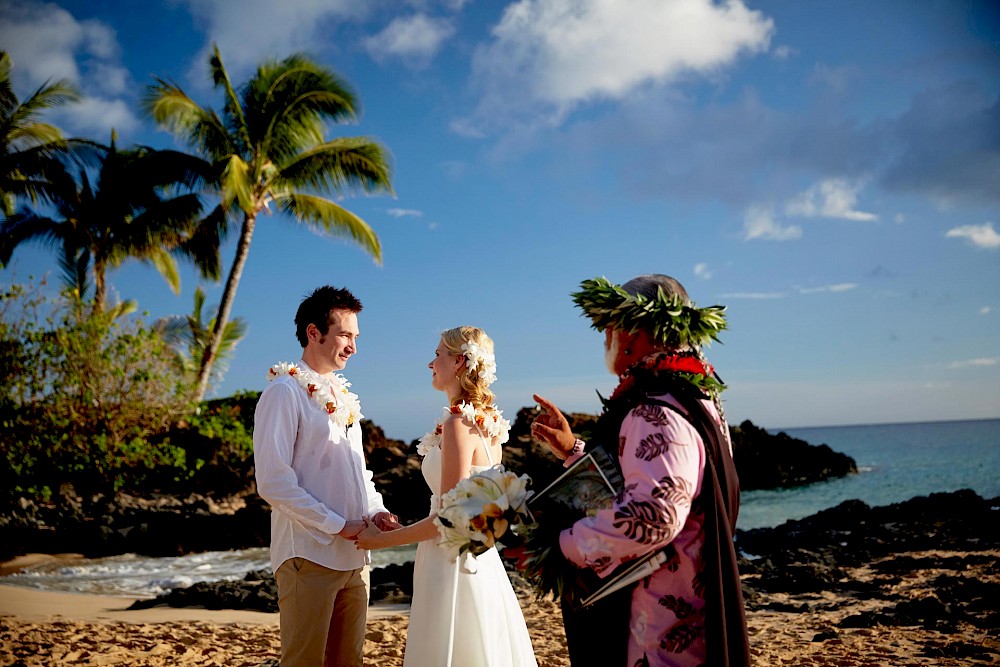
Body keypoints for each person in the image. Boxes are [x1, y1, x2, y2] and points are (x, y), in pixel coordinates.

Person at [529, 275, 749, 667]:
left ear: (634, 331)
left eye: (610, 326)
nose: (605, 337)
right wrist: (574, 451)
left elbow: (654, 517)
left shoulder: (655, 411)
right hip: (689, 605)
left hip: (654, 628)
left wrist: (561, 546)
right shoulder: (695, 398)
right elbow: (645, 483)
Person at [355, 326, 537, 667]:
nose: (431, 363)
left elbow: (448, 521)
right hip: (478, 557)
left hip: (450, 562)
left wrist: (380, 541)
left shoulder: (458, 424)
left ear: (459, 362)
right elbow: (472, 513)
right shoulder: (489, 427)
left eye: (438, 354)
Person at [253, 285, 400, 667]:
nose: (353, 346)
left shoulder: (342, 396)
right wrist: (337, 524)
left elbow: (357, 472)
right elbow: (273, 481)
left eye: (356, 337)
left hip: (354, 557)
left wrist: (376, 510)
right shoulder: (284, 392)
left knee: (347, 662)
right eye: (345, 335)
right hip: (308, 555)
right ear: (314, 332)